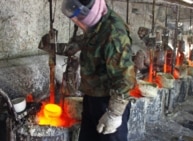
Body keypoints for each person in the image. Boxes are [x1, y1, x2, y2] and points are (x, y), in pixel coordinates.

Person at [39, 0, 136, 141]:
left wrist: (114, 114)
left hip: (109, 101)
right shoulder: (96, 24)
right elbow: (82, 43)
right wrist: (53, 47)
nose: (79, 21)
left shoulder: (114, 33)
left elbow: (125, 78)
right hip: (91, 97)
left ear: (90, 10)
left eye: (80, 16)